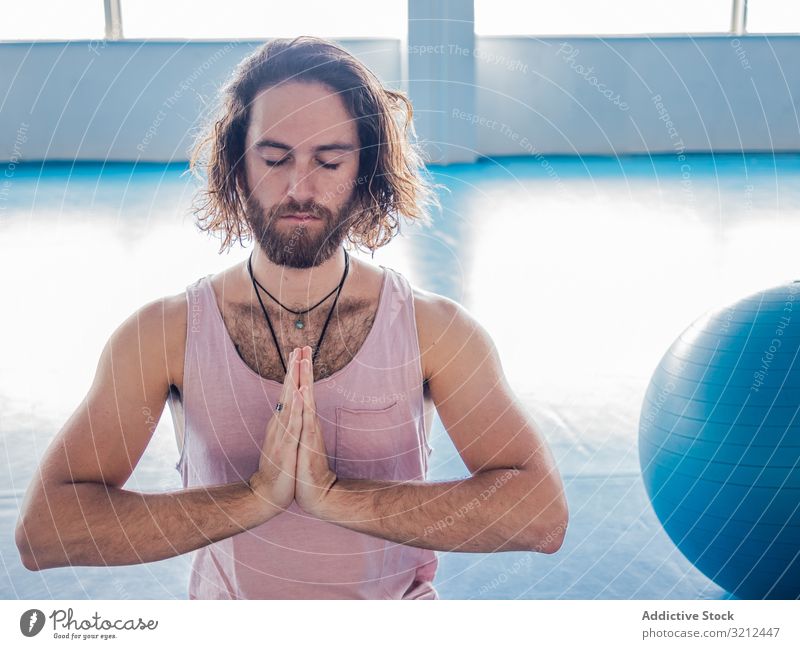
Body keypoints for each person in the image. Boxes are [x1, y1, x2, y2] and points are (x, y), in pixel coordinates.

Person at [15, 35, 568, 599]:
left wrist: (333, 496)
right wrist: (254, 497)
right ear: (237, 164)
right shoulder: (163, 334)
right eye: (275, 159)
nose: (299, 188)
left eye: (329, 161)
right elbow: (44, 532)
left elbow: (541, 515)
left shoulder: (436, 331)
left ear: (365, 171)